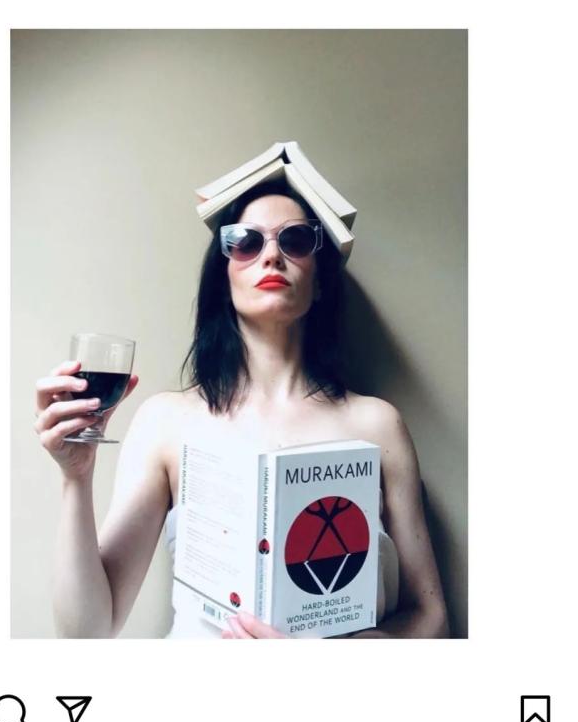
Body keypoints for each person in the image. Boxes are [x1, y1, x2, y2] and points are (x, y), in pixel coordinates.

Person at [35, 179, 450, 639]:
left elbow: (432, 619)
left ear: (319, 282)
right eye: (246, 242)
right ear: (224, 278)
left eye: (295, 240)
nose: (271, 256)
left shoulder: (377, 425)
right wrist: (76, 477)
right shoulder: (166, 422)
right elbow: (86, 634)